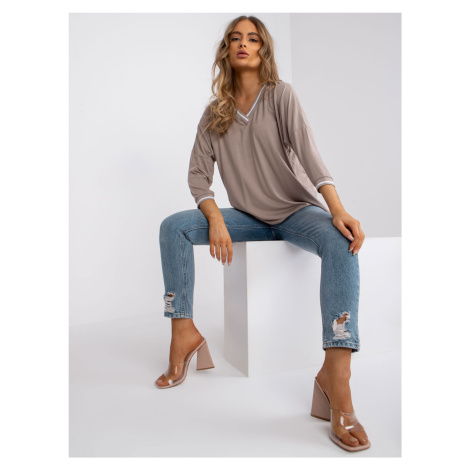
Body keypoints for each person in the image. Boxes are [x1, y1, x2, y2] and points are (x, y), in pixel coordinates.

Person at [155, 15, 370, 452]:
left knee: (340, 242)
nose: (243, 44)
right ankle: (183, 334)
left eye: (252, 38)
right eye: (235, 38)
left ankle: (336, 375)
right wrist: (216, 218)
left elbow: (310, 156)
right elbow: (198, 176)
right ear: (226, 51)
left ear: (263, 49)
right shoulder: (215, 112)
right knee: (173, 227)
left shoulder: (280, 95)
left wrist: (337, 209)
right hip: (248, 218)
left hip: (296, 213)